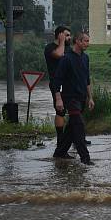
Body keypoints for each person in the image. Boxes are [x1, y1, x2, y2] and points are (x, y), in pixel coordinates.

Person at [52, 32, 95, 165]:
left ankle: (60, 152)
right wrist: (58, 99)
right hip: (70, 98)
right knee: (78, 125)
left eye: (88, 41)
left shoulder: (85, 58)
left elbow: (87, 80)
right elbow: (56, 80)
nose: (87, 44)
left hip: (81, 97)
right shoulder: (66, 59)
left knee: (71, 128)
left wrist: (90, 98)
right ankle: (85, 159)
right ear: (77, 41)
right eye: (85, 41)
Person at [44, 25, 71, 153]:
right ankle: (60, 139)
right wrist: (61, 43)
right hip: (56, 84)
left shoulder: (68, 48)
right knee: (60, 111)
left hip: (69, 84)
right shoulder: (50, 48)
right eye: (66, 35)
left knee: (74, 110)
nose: (69, 37)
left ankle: (75, 138)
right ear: (59, 35)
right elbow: (59, 55)